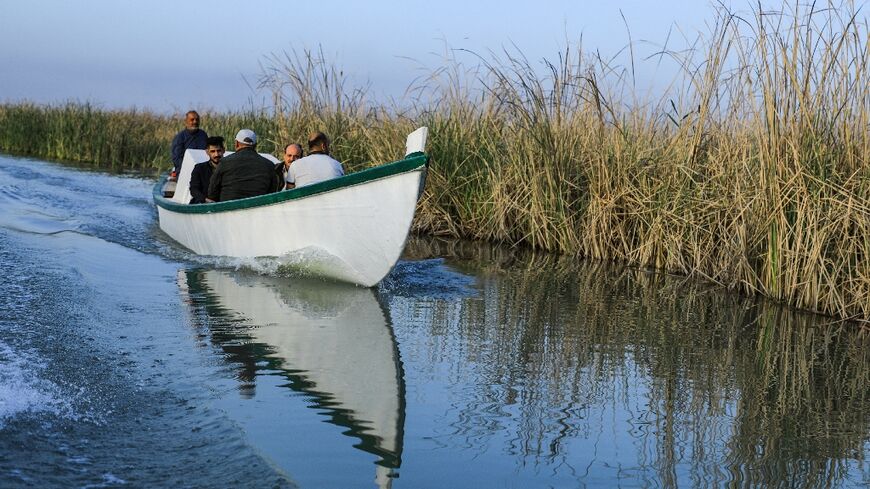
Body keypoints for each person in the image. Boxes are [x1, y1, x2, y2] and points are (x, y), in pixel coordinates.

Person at [206, 129, 278, 202]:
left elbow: (212, 193)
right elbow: (272, 193)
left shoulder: (224, 162)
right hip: (258, 208)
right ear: (255, 145)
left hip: (229, 208)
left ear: (236, 143)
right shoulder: (269, 165)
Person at [170, 110, 208, 178]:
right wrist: (189, 168)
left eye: (197, 120)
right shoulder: (180, 137)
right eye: (192, 120)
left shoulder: (203, 135)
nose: (195, 122)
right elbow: (176, 158)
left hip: (202, 170)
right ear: (186, 121)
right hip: (185, 171)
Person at [189, 136, 225, 204]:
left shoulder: (229, 167)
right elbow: (194, 189)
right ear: (207, 152)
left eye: (219, 151)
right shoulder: (199, 168)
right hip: (204, 204)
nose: (216, 154)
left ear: (223, 150)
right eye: (212, 151)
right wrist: (205, 200)